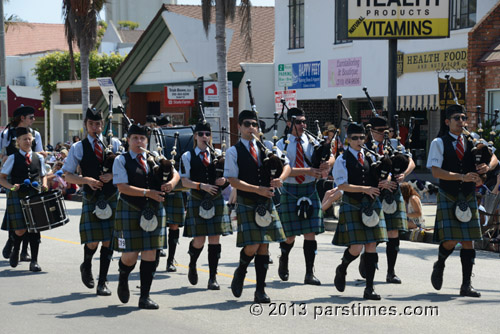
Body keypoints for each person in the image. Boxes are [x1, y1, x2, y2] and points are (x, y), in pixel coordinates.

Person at [426, 104, 497, 298]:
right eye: (457, 118)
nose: (461, 121)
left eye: (463, 117)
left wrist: (486, 168)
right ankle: (440, 263)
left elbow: (495, 157)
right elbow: (435, 171)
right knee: (451, 240)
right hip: (449, 194)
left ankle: (466, 285)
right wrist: (462, 177)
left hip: (467, 195)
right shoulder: (438, 142)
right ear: (447, 121)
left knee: (468, 241)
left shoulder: (473, 140)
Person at [224, 109, 291, 303]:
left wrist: (280, 178)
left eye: (254, 124)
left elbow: (287, 165)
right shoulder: (233, 151)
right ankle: (241, 270)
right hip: (248, 200)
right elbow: (233, 180)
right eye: (247, 124)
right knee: (252, 245)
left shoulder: (268, 147)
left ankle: (260, 291)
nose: (251, 128)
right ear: (239, 127)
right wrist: (257, 189)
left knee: (264, 247)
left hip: (266, 201)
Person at [62, 108, 122, 296]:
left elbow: (125, 169)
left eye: (98, 124)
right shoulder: (78, 147)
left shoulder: (115, 143)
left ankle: (102, 282)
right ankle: (86, 265)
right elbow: (68, 175)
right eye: (91, 124)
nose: (95, 128)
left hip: (112, 196)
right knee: (93, 241)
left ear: (103, 125)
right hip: (92, 197)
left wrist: (112, 175)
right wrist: (86, 180)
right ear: (86, 126)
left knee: (108, 241)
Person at [112, 124, 169, 309]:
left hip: (153, 209)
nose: (139, 141)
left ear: (147, 140)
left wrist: (171, 184)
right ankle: (123, 276)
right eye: (135, 138)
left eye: (142, 138)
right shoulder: (121, 160)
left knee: (150, 252)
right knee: (130, 256)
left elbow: (174, 175)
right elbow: (121, 186)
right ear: (128, 140)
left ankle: (144, 296)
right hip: (130, 208)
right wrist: (147, 192)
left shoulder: (155, 158)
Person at [276, 108, 334, 286]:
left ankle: (309, 273)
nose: (303, 125)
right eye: (298, 122)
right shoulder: (281, 144)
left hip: (309, 189)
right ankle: (284, 258)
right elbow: (283, 170)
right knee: (290, 236)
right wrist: (308, 170)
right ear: (289, 123)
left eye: (304, 121)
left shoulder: (312, 141)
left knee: (310, 234)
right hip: (291, 190)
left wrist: (327, 164)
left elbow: (331, 156)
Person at [332, 123, 389, 300]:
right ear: (348, 139)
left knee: (371, 245)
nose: (359, 141)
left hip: (372, 203)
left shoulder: (372, 157)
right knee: (356, 248)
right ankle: (342, 268)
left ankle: (369, 288)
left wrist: (385, 181)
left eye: (361, 137)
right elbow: (342, 185)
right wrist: (365, 189)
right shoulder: (342, 159)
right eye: (355, 138)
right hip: (354, 203)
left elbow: (381, 175)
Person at [361, 115, 415, 284]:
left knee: (393, 233)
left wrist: (403, 174)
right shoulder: (364, 147)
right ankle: (367, 257)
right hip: (375, 192)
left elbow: (410, 161)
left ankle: (391, 272)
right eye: (380, 131)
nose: (384, 134)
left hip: (393, 191)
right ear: (371, 131)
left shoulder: (394, 144)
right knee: (377, 233)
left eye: (387, 131)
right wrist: (379, 182)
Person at [180, 119, 232, 290]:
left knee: (215, 240)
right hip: (197, 198)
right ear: (195, 136)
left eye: (208, 134)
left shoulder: (217, 154)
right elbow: (184, 181)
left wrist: (224, 180)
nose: (205, 137)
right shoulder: (187, 156)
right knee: (199, 240)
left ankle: (212, 277)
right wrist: (201, 186)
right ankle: (192, 263)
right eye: (201, 134)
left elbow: (229, 176)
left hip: (215, 199)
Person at [1, 105, 44, 263]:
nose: (33, 119)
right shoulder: (7, 133)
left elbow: (40, 152)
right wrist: (5, 159)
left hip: (30, 177)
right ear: (22, 118)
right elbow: (1, 153)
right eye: (31, 117)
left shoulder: (36, 134)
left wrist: (35, 155)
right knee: (15, 215)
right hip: (13, 176)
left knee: (30, 218)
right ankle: (12, 240)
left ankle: (24, 251)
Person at [154, 114, 184, 272]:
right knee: (159, 225)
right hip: (159, 190)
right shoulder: (154, 145)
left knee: (174, 225)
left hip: (176, 189)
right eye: (163, 127)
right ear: (157, 128)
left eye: (168, 126)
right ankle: (156, 259)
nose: (166, 129)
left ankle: (170, 260)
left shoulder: (178, 143)